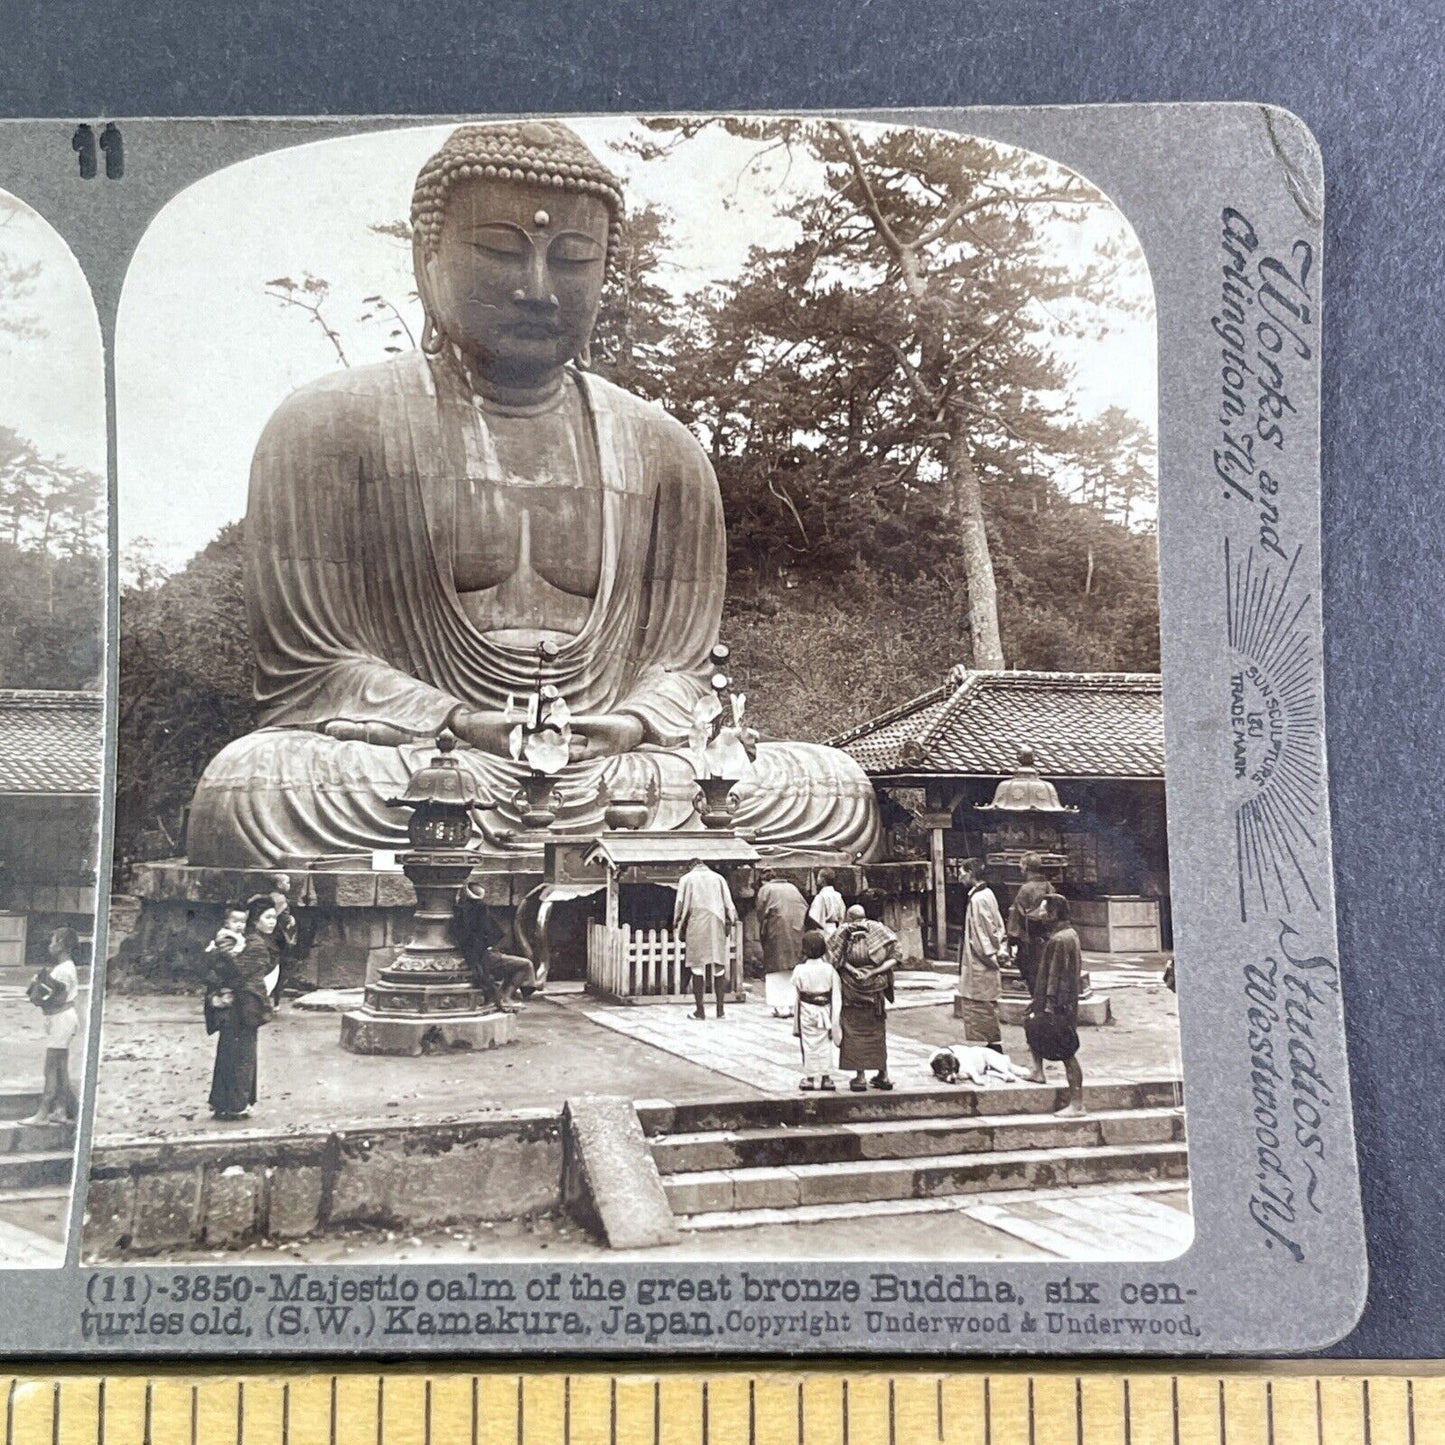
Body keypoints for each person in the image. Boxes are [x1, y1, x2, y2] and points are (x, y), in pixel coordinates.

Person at [184, 120, 882, 871]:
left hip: (618, 766)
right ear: (428, 258)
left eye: (574, 259)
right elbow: (310, 669)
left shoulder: (665, 450)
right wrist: (458, 719)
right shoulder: (326, 424)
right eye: (498, 250)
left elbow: (682, 670)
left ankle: (573, 831)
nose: (538, 289)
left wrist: (632, 723)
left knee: (831, 787)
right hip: (434, 756)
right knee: (255, 785)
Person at [204, 894, 279, 1120]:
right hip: (243, 1007)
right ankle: (236, 1104)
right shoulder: (256, 945)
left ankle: (225, 1102)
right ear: (255, 921)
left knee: (230, 1053)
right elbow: (237, 973)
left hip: (239, 1005)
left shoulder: (246, 940)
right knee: (241, 1056)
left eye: (274, 917)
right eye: (268, 917)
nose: (272, 922)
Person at [1023, 893, 1086, 1116]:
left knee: (1067, 1052)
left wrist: (1048, 1005)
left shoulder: (1061, 940)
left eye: (1043, 910)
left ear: (1053, 913)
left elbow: (1056, 975)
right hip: (1054, 1000)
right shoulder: (1067, 935)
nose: (1040, 914)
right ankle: (1038, 1071)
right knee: (1030, 1025)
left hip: (1058, 1004)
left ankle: (1077, 1104)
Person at [828, 903, 900, 1091]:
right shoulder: (879, 930)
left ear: (849, 917)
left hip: (852, 989)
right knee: (876, 1032)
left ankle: (860, 1077)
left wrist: (854, 970)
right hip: (876, 987)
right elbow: (895, 956)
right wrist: (874, 971)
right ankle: (883, 1074)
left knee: (854, 1031)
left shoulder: (842, 932)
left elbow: (835, 959)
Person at [23, 928, 81, 1124]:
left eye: (52, 941)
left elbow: (58, 998)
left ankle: (43, 1113)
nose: (50, 945)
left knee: (50, 1068)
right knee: (60, 1068)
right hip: (62, 1020)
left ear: (61, 944)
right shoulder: (65, 967)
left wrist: (37, 993)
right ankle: (62, 1109)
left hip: (61, 1020)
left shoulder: (64, 969)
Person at [455, 878, 539, 1012]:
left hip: (477, 955)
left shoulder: (462, 911)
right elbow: (490, 935)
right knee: (525, 964)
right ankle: (506, 997)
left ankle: (503, 996)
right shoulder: (479, 910)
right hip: (483, 956)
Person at [673, 858, 737, 1020]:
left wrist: (676, 923)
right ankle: (720, 1010)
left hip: (696, 921)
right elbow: (729, 903)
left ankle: (700, 1010)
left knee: (697, 965)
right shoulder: (718, 878)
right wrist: (731, 920)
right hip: (717, 921)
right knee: (718, 964)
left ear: (691, 866)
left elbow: (679, 904)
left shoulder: (686, 879)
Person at [955, 857, 1008, 1051]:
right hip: (980, 956)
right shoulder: (986, 894)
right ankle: (988, 1043)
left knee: (981, 1003)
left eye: (961, 873)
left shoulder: (979, 898)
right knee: (980, 1003)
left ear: (970, 873)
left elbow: (984, 932)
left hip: (981, 958)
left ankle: (991, 1045)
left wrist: (991, 955)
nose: (959, 877)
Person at [791, 929, 841, 1091]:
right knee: (825, 1043)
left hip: (807, 1008)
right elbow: (835, 989)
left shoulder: (799, 969)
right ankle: (826, 1078)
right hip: (825, 1008)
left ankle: (810, 1078)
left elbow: (796, 987)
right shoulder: (829, 969)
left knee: (809, 1043)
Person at [756, 869, 808, 1016]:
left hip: (776, 931)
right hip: (797, 930)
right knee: (793, 968)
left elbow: (760, 912)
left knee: (775, 968)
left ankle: (780, 1006)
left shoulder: (766, 889)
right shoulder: (793, 888)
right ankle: (792, 1006)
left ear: (763, 881)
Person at [1007, 852, 1056, 999]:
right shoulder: (1049, 887)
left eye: (1021, 865)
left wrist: (1011, 939)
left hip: (1029, 938)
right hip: (1047, 937)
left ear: (1026, 868)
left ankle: (1037, 1006)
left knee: (1031, 974)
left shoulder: (1025, 889)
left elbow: (1017, 915)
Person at [264, 872, 300, 1003]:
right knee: (280, 968)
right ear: (279, 885)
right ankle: (276, 1000)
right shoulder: (281, 899)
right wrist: (290, 919)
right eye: (287, 882)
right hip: (279, 938)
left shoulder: (270, 897)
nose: (289, 885)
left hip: (270, 937)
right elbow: (283, 919)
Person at [929, 1043, 1032, 1087]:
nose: (953, 1076)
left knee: (1000, 1067)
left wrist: (976, 1079)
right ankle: (1004, 1075)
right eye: (947, 1071)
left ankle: (1007, 1073)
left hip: (985, 1056)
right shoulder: (936, 1061)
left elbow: (971, 1070)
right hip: (984, 1068)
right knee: (988, 1071)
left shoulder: (956, 1058)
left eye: (953, 1071)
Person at [807, 868, 846, 937]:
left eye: (819, 876)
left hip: (823, 931)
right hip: (836, 930)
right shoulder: (838, 895)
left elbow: (813, 916)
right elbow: (842, 914)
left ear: (823, 879)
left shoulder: (821, 896)